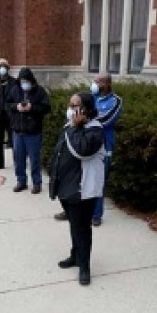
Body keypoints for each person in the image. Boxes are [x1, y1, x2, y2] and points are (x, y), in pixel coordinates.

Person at [48, 93, 106, 285]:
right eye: (70, 105)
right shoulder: (71, 126)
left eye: (75, 106)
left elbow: (81, 150)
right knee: (74, 226)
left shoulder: (95, 130)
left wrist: (74, 127)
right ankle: (75, 255)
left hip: (83, 190)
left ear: (86, 109)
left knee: (82, 229)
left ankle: (85, 267)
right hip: (67, 187)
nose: (71, 109)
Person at [54, 74, 123, 226]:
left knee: (96, 180)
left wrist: (87, 120)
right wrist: (80, 122)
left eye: (99, 81)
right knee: (76, 177)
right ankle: (71, 209)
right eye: (95, 81)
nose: (95, 84)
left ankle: (96, 214)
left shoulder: (115, 100)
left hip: (102, 144)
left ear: (108, 84)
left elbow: (107, 120)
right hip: (81, 138)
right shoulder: (90, 97)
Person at [6, 67, 51, 193]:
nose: (24, 84)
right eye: (21, 81)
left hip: (33, 132)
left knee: (34, 159)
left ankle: (37, 183)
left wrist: (32, 108)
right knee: (18, 159)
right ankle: (21, 181)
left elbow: (46, 107)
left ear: (31, 80)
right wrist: (17, 107)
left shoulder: (40, 91)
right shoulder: (15, 90)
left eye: (26, 81)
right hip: (18, 131)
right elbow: (7, 105)